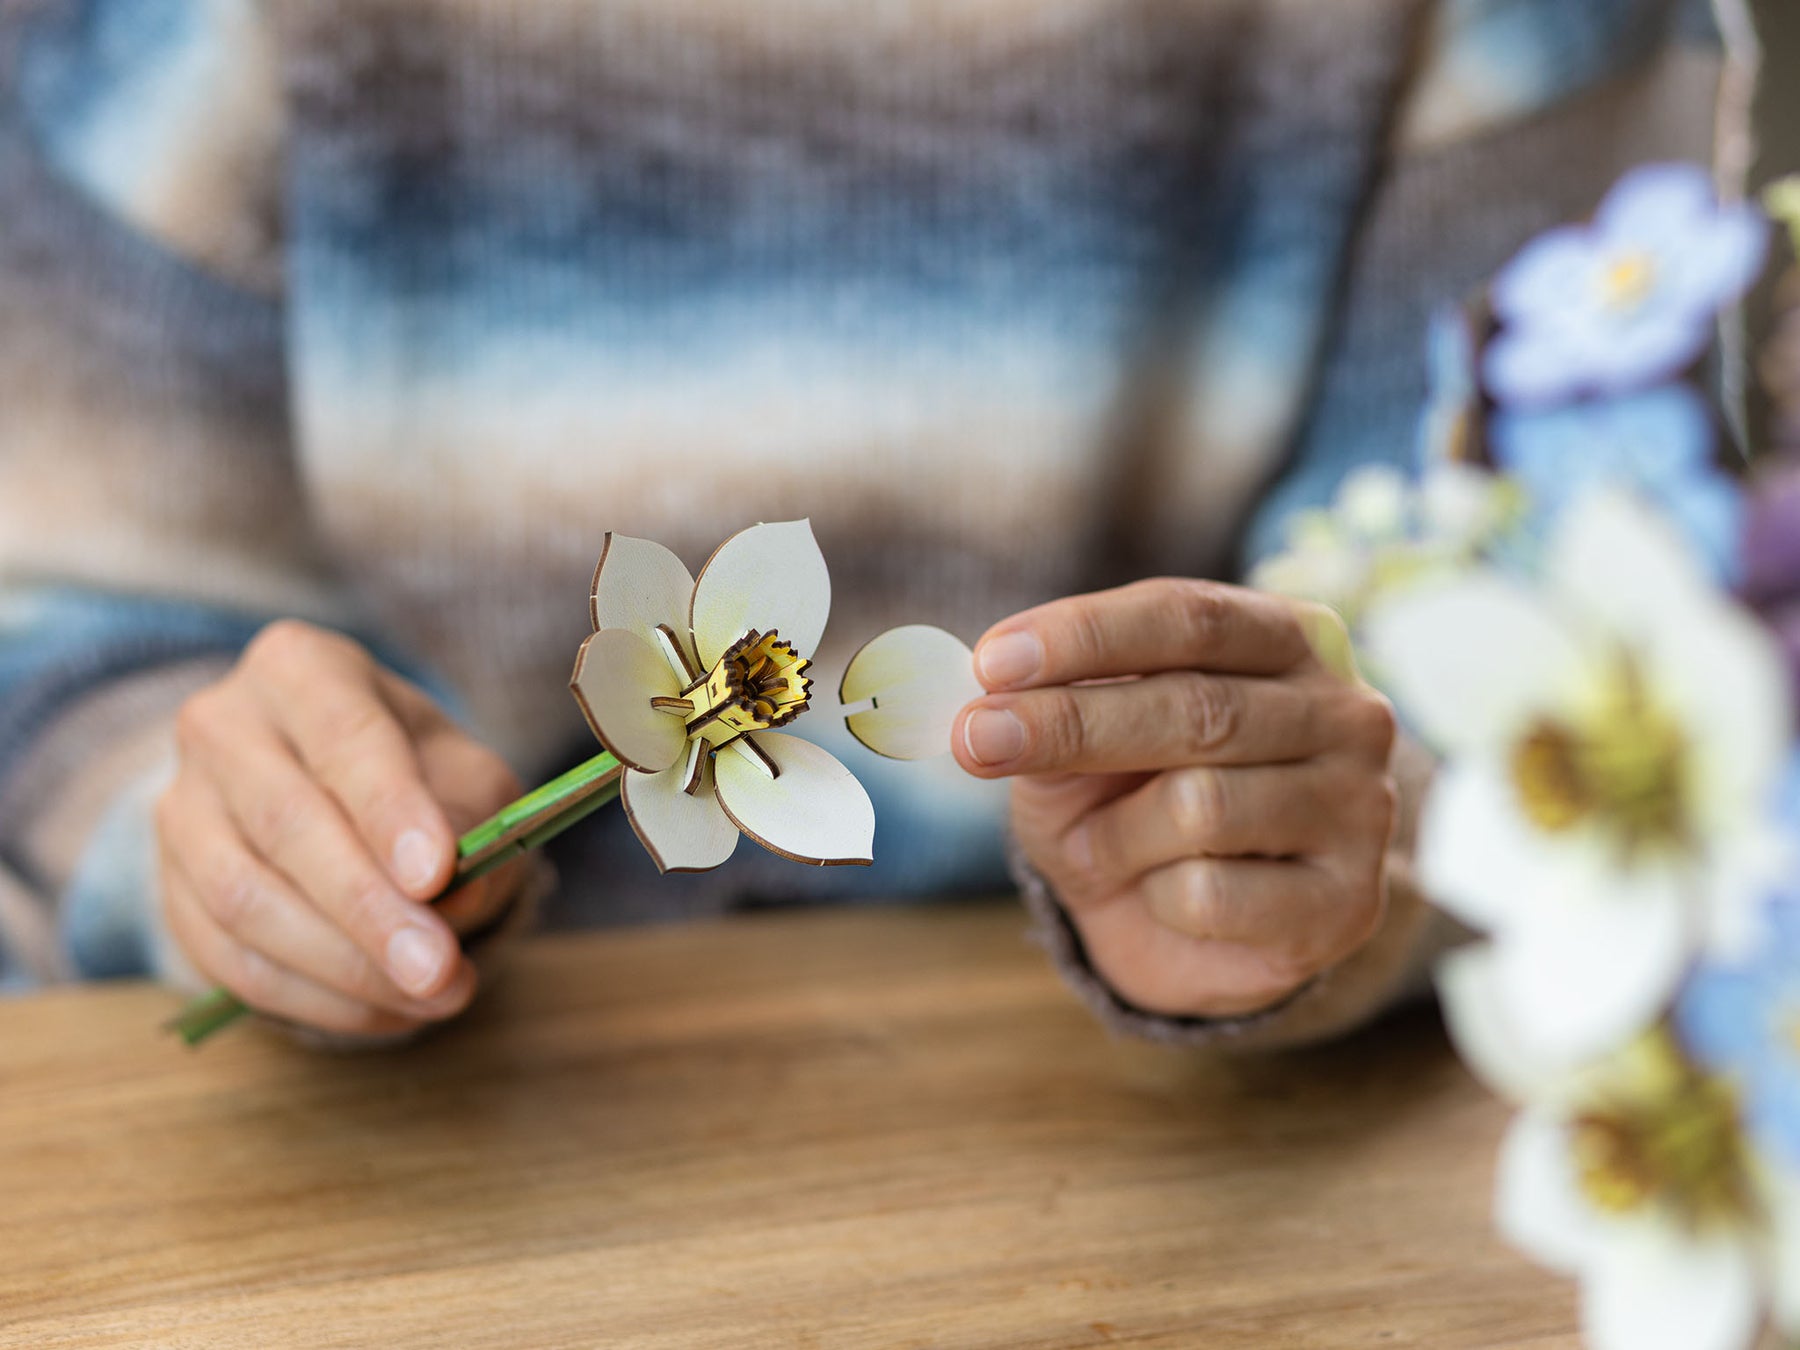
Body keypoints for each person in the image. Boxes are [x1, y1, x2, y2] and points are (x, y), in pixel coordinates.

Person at [0, 0, 1732, 1044]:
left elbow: (1541, 619)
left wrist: (1326, 846)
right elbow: (68, 614)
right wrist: (227, 835)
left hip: (1138, 1154)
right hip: (395, 1145)